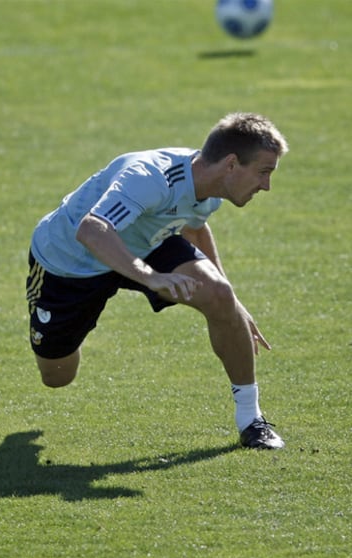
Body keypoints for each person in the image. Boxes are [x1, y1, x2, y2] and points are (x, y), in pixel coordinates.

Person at [26, 112, 289, 449]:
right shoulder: (151, 178)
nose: (266, 185)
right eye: (263, 172)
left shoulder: (210, 186)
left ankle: (251, 422)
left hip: (147, 239)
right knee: (57, 376)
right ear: (232, 164)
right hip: (69, 261)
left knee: (220, 295)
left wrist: (232, 305)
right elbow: (91, 230)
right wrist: (151, 277)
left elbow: (193, 225)